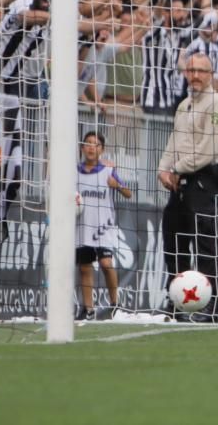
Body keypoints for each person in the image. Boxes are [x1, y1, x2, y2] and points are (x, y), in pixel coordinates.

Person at [157, 52, 218, 322]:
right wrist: (163, 168)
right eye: (191, 70)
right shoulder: (184, 105)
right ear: (186, 74)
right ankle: (177, 299)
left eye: (202, 70)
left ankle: (213, 307)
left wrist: (176, 168)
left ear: (210, 74)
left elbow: (207, 151)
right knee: (173, 241)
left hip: (202, 180)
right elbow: (173, 142)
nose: (196, 75)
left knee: (205, 244)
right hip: (180, 182)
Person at [75, 131, 132, 321]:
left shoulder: (108, 171)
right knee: (84, 268)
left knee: (106, 264)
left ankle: (115, 304)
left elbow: (128, 193)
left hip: (103, 228)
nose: (91, 147)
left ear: (102, 149)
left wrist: (117, 185)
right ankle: (88, 309)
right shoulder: (74, 171)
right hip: (83, 227)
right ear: (82, 148)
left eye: (96, 144)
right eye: (88, 143)